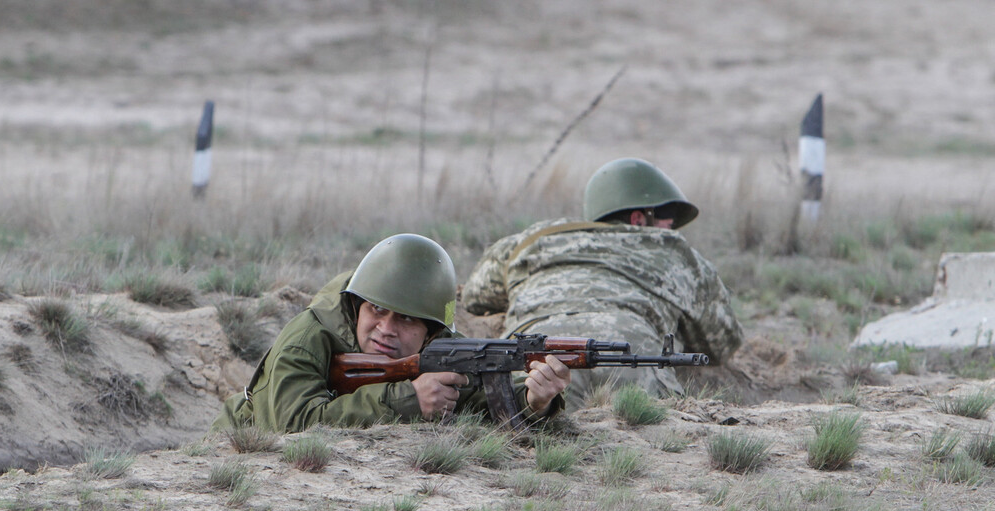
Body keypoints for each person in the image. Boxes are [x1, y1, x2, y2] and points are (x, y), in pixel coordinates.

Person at [212, 233, 571, 434]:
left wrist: (534, 402)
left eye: (406, 320)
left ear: (431, 331)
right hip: (234, 447)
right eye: (377, 310)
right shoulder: (309, 338)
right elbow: (290, 425)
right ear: (358, 304)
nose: (386, 329)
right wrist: (409, 399)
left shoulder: (447, 350)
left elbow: (481, 403)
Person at [462, 157, 742, 409]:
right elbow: (721, 342)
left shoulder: (531, 239)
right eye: (668, 225)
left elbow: (474, 297)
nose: (670, 233)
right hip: (630, 357)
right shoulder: (674, 251)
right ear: (638, 218)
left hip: (536, 362)